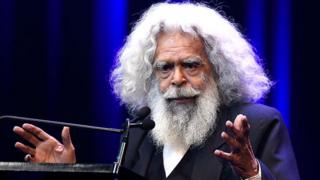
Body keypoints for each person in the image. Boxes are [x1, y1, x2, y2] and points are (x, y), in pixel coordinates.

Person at [12, 2, 299, 180]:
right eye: (164, 67)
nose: (177, 79)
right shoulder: (141, 129)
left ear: (218, 68)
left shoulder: (258, 124)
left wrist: (253, 174)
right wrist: (69, 174)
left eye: (190, 65)